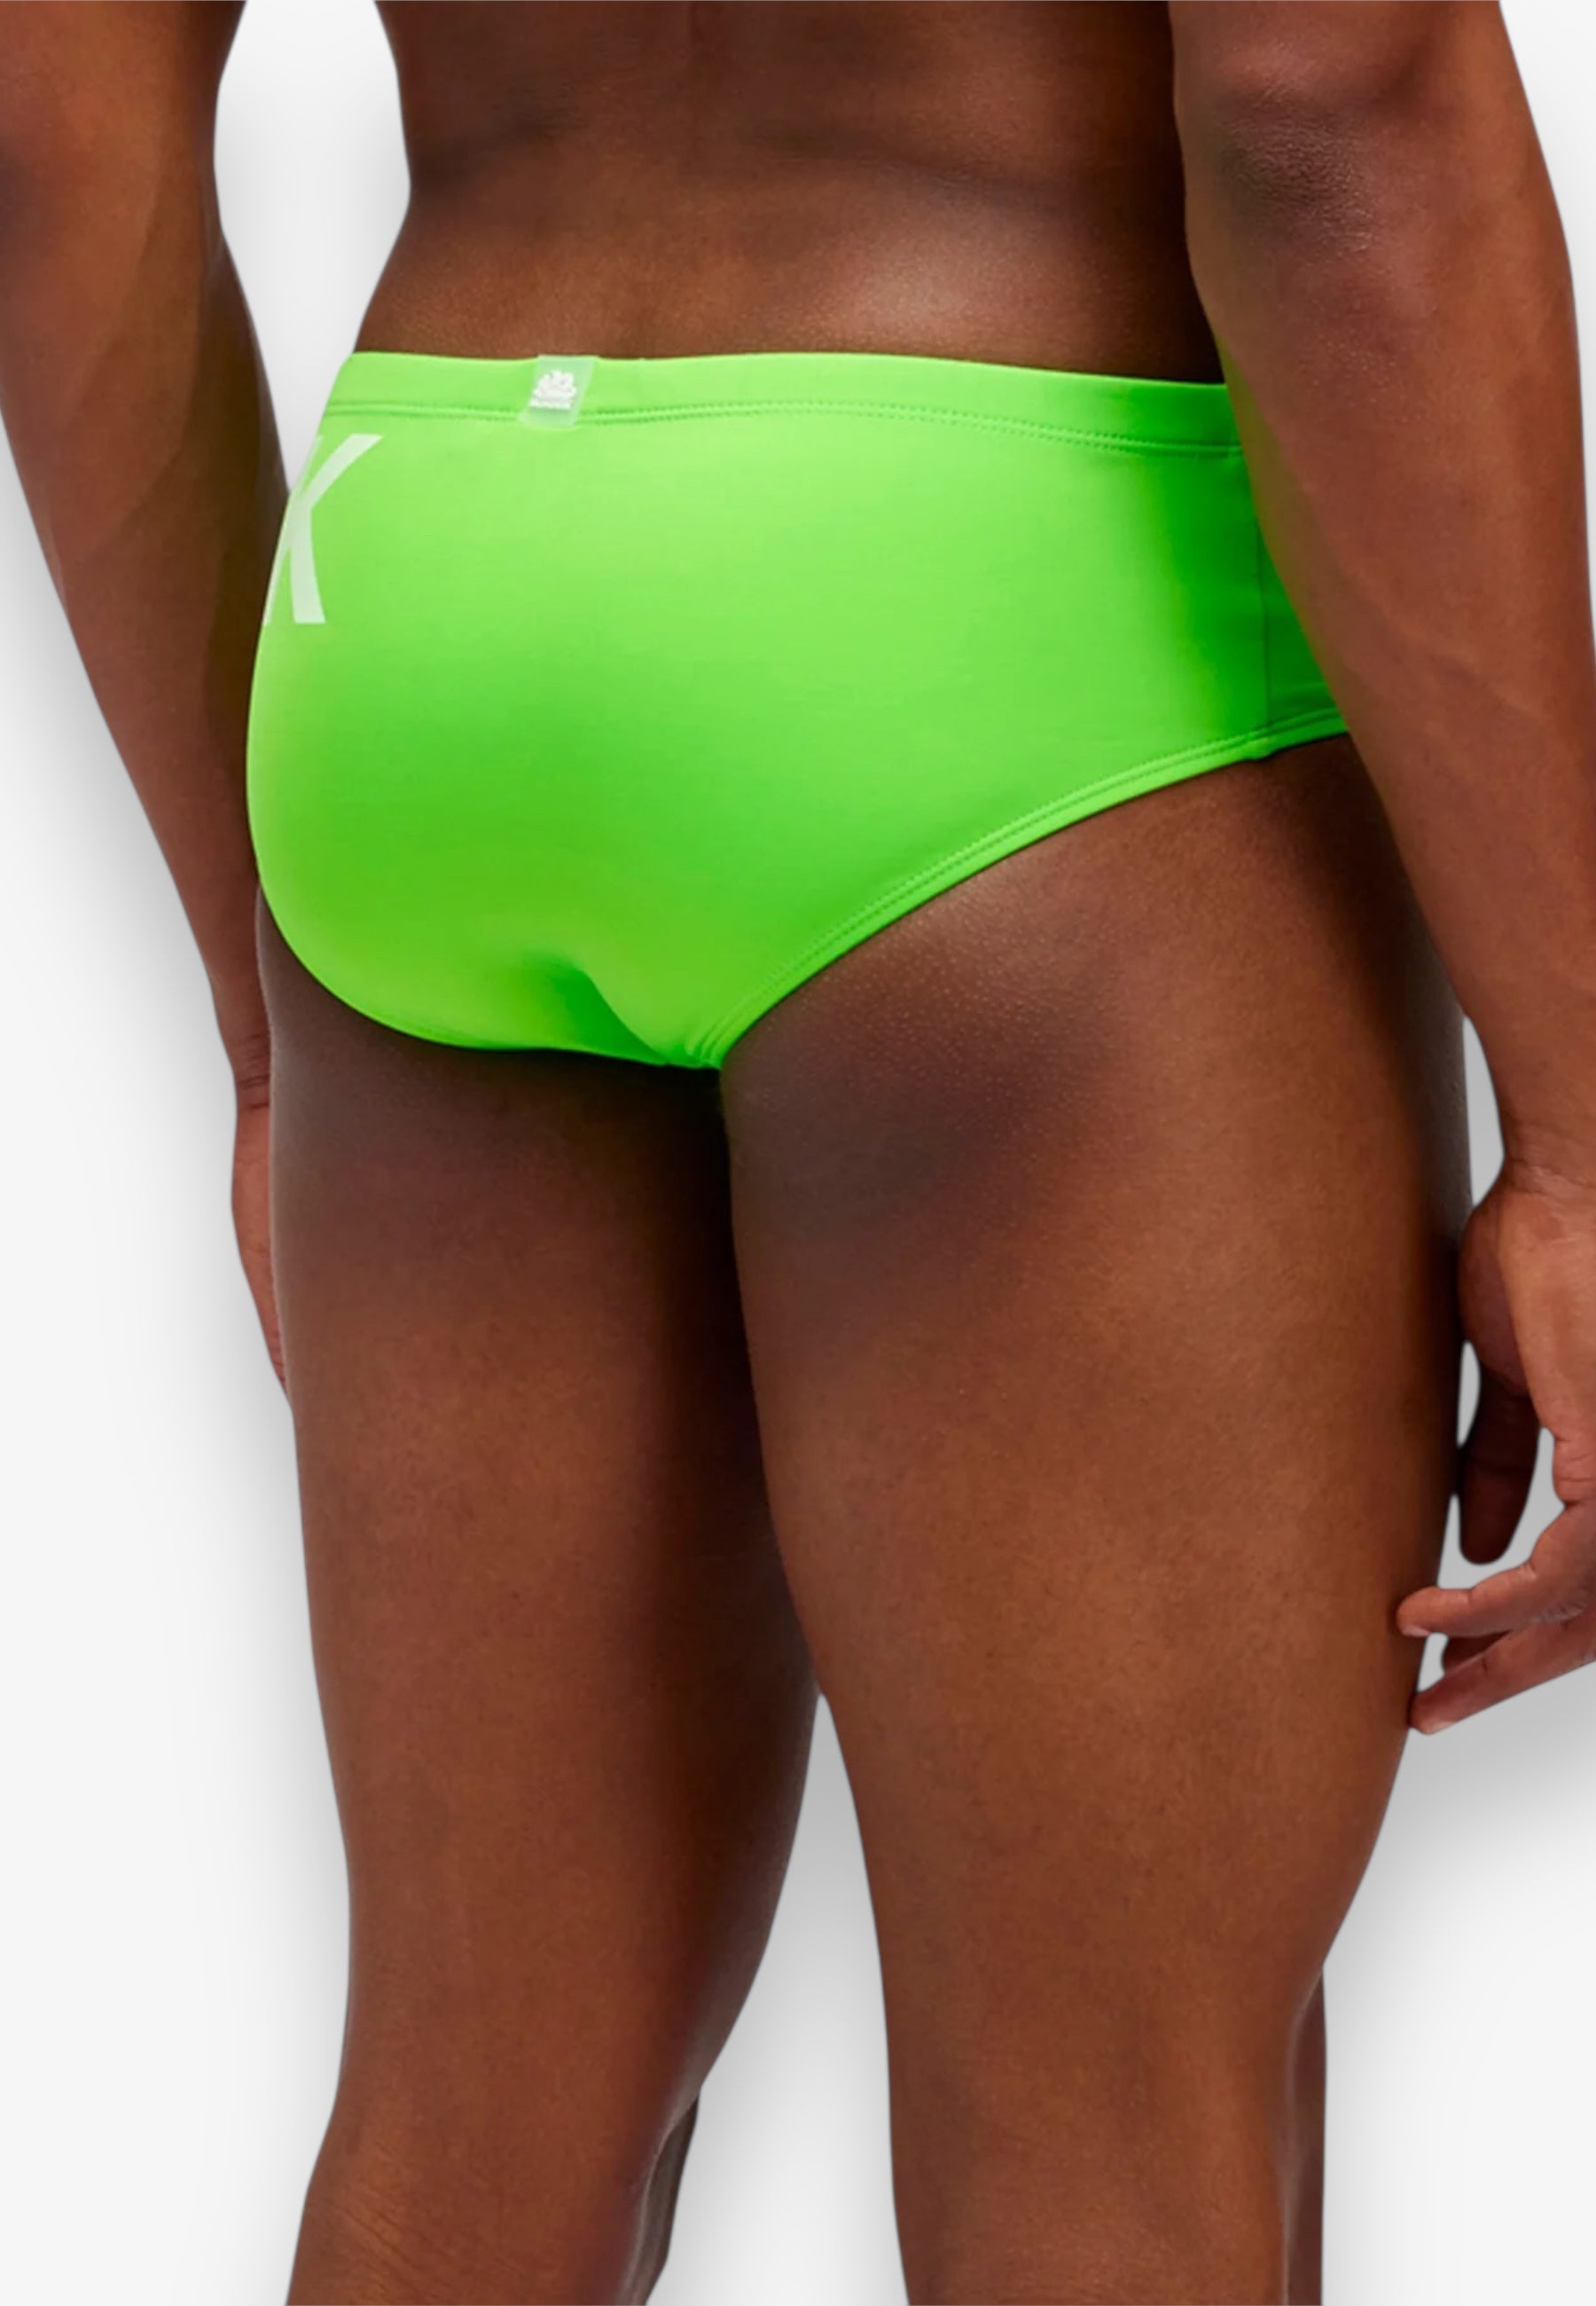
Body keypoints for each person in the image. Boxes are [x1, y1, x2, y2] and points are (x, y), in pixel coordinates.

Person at [2, 3, 1592, 2300]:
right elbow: (1331, 86)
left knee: (477, 2120)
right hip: (1017, 605)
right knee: (1114, 2135)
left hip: (431, 578)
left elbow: (51, 141)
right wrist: (1580, 1129)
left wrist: (270, 1024)